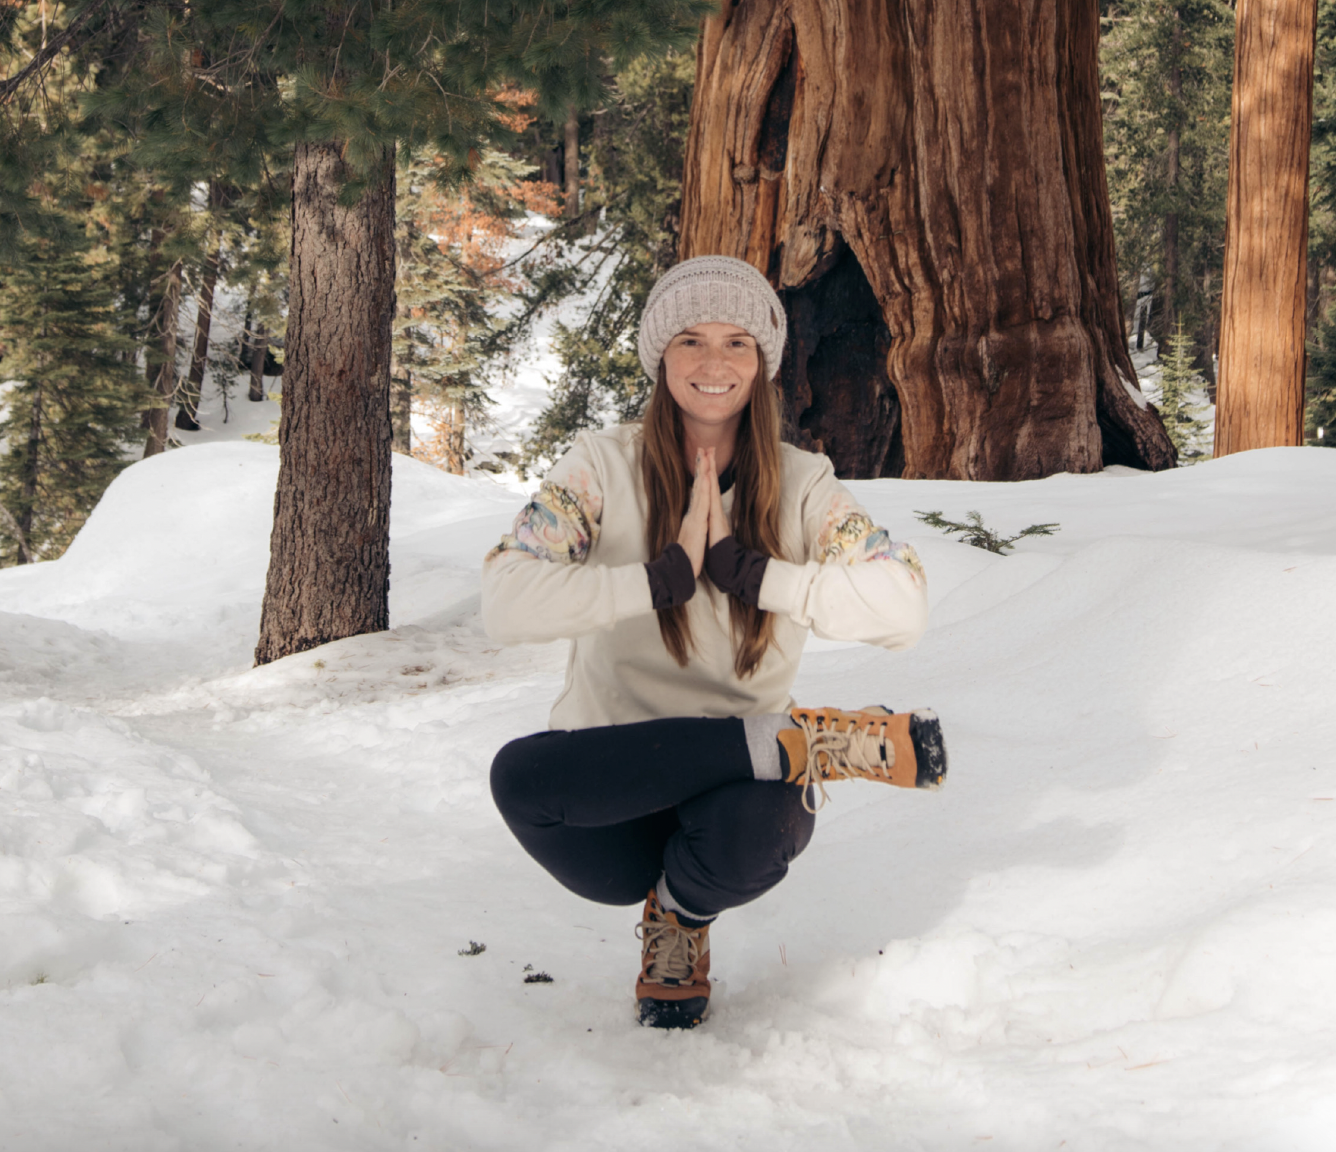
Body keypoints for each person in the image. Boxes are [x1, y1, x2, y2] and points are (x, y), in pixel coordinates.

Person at [483, 255, 946, 1030]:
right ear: (660, 356)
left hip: (736, 808)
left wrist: (754, 575)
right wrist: (660, 579)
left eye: (737, 342)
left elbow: (903, 605)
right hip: (611, 783)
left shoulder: (805, 485)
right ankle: (799, 744)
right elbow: (505, 601)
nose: (713, 363)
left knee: (761, 825)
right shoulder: (600, 466)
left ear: (762, 362)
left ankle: (682, 916)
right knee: (520, 778)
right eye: (691, 339)